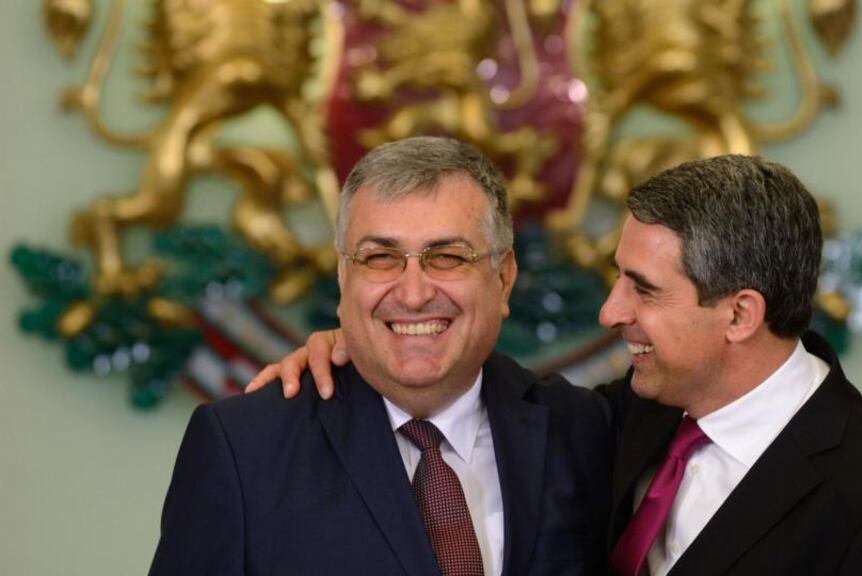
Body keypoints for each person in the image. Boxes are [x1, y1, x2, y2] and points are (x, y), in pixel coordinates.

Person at [250, 154, 862, 575]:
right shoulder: (634, 414)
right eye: (618, 277)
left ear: (740, 314)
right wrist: (367, 350)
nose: (611, 312)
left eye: (644, 290)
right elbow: (508, 399)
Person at [150, 137, 613, 576]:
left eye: (447, 256)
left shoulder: (584, 428)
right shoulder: (242, 449)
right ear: (343, 278)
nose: (412, 295)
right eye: (379, 258)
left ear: (504, 277)